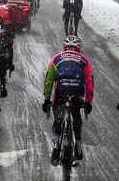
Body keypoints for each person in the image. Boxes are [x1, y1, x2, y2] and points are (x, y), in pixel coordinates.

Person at [42, 36, 94, 165]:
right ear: (78, 48)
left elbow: (49, 80)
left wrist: (47, 98)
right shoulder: (84, 60)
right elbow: (89, 83)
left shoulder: (56, 58)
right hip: (77, 88)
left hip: (61, 88)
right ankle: (78, 144)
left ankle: (56, 146)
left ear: (64, 47)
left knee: (58, 119)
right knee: (76, 115)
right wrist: (88, 101)